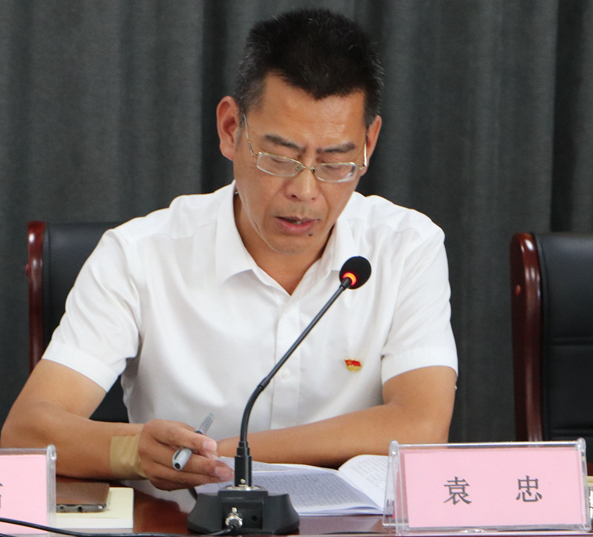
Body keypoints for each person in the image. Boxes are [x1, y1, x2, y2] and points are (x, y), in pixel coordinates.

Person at [1, 8, 457, 505]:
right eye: (280, 158)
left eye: (334, 162)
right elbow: (26, 433)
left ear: (368, 145)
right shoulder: (138, 256)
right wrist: (135, 452)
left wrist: (222, 455)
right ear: (230, 128)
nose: (305, 191)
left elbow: (421, 425)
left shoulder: (406, 247)